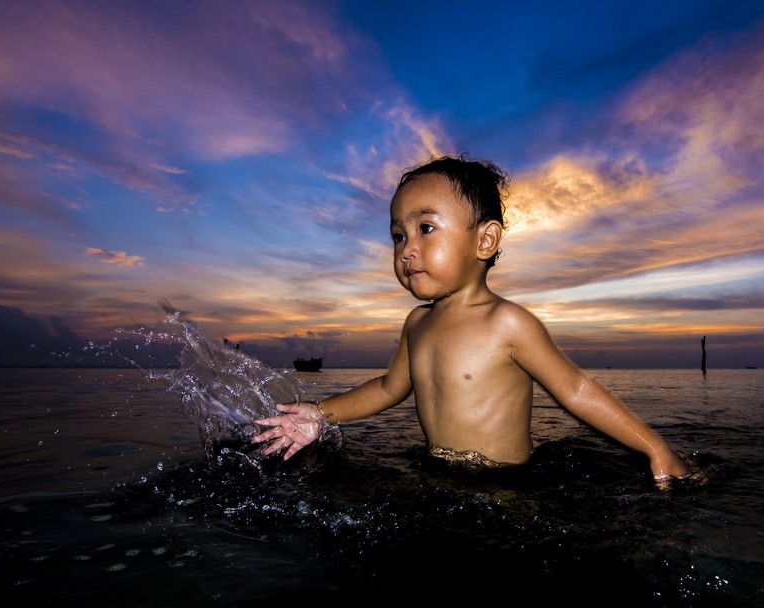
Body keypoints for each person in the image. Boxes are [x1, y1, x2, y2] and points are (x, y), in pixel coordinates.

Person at [252, 156, 690, 481]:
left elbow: (575, 389)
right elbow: (388, 388)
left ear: (485, 241)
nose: (406, 249)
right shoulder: (417, 324)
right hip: (437, 474)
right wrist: (319, 414)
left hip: (505, 486)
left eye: (425, 228)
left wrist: (655, 448)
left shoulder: (507, 323)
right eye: (398, 236)